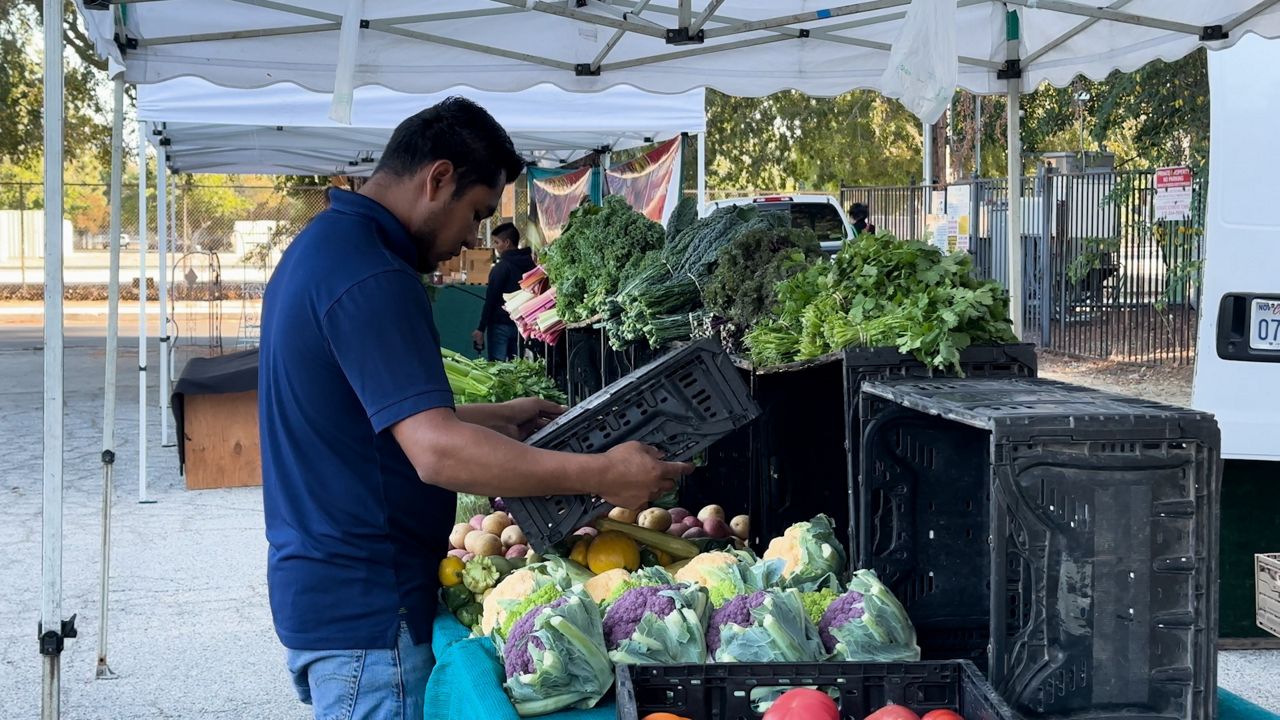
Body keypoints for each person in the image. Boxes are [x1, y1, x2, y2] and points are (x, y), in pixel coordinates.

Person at [258, 97, 691, 720]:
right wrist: (603, 474)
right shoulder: (372, 275)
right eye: (477, 213)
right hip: (369, 609)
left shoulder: (325, 249)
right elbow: (436, 453)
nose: (471, 238)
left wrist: (498, 417)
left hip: (330, 597)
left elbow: (367, 421)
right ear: (438, 179)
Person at [472, 222, 534, 361]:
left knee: (497, 366)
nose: (495, 246)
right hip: (522, 326)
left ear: (507, 243)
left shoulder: (501, 268)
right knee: (518, 366)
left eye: (496, 242)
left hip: (500, 325)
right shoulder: (531, 266)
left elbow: (491, 300)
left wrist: (481, 328)